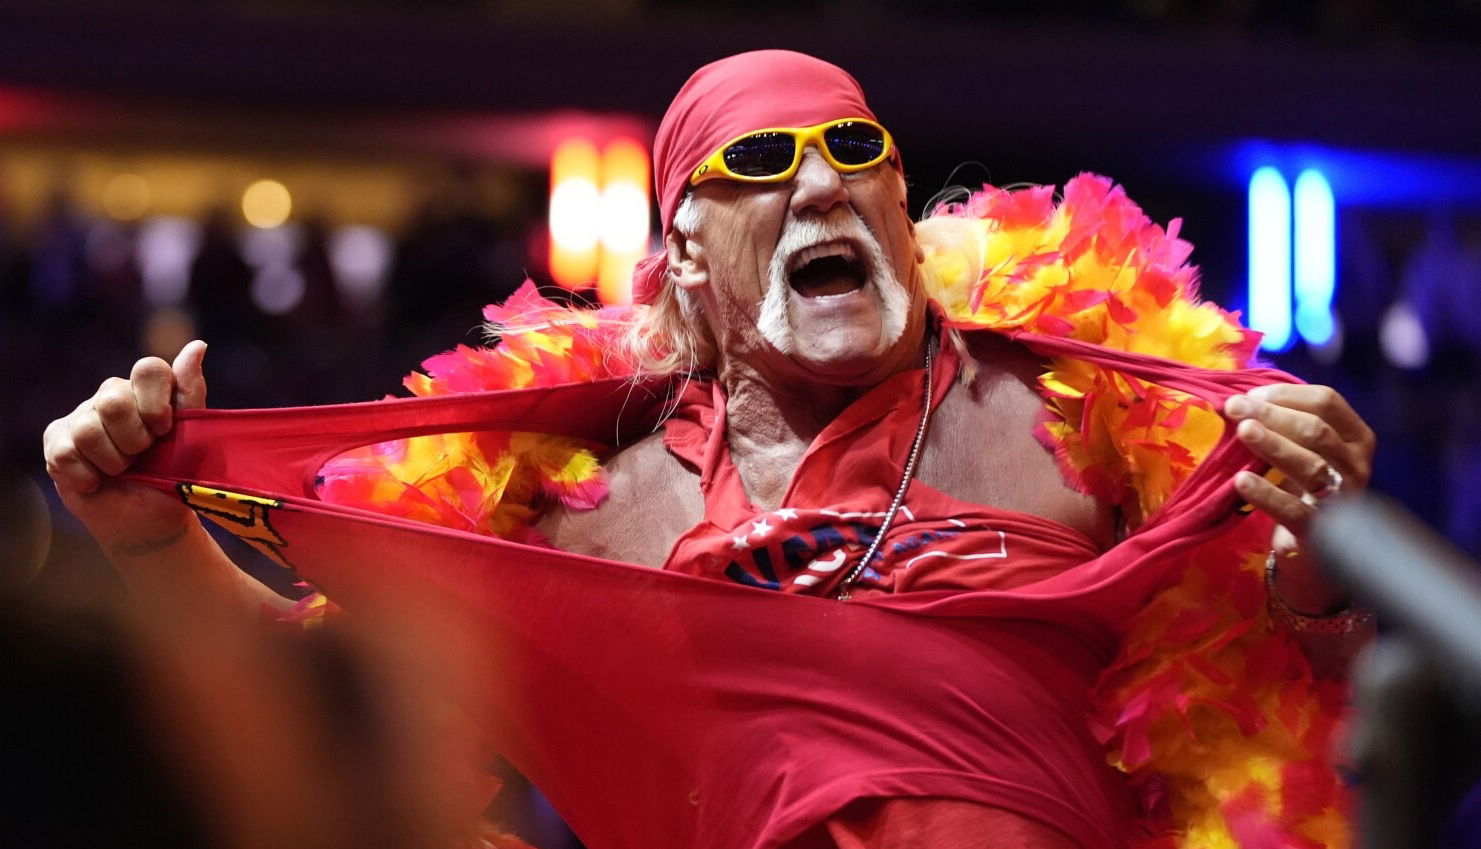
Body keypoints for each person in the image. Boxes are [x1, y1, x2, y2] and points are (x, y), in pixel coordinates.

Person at [44, 51, 1375, 848]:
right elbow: (332, 727)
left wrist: (1324, 545)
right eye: (760, 164)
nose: (819, 183)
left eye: (853, 150)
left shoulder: (1072, 412)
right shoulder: (588, 508)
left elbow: (1294, 698)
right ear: (683, 252)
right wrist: (148, 538)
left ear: (900, 210)